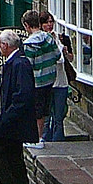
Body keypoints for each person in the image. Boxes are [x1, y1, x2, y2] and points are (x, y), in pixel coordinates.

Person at [0, 29, 37, 184]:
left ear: (6, 46)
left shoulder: (19, 64)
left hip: (14, 120)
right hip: (10, 118)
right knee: (14, 157)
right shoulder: (12, 62)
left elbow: (24, 95)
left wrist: (7, 117)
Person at [20, 10, 60, 148]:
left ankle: (37, 139)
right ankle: (40, 136)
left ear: (27, 25)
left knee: (37, 110)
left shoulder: (29, 45)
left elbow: (28, 66)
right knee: (44, 110)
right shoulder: (49, 38)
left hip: (37, 82)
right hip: (50, 79)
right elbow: (58, 55)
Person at [41, 12, 72, 142]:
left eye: (51, 22)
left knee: (59, 116)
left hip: (61, 81)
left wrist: (65, 53)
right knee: (47, 116)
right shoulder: (40, 40)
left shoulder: (61, 38)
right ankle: (46, 140)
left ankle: (59, 143)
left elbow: (70, 58)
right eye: (46, 22)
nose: (49, 25)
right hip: (47, 82)